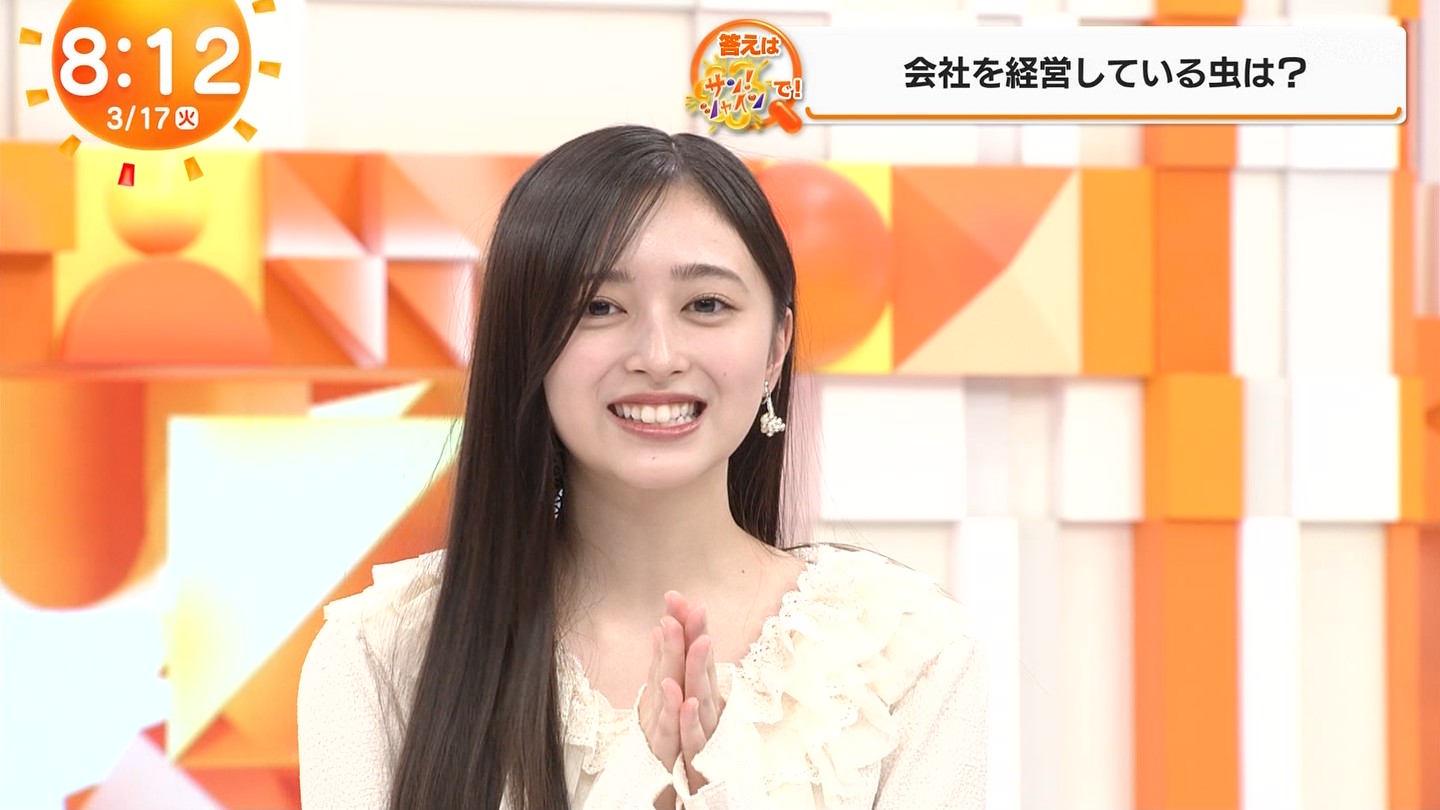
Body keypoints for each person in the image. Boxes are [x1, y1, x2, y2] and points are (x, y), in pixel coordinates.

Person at [296, 124, 986, 810]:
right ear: (526, 346)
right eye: (599, 307)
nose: (658, 356)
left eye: (706, 305)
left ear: (776, 347)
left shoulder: (903, 656)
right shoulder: (379, 655)